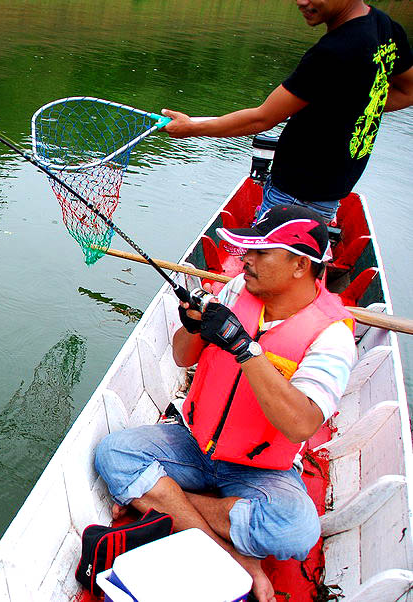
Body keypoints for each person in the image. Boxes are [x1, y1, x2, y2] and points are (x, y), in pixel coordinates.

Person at [94, 205, 357, 602]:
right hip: (194, 444)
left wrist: (244, 349)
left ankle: (169, 505)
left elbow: (302, 425)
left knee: (295, 530)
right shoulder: (237, 290)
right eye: (246, 250)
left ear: (300, 265)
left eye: (261, 252)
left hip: (260, 469)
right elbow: (184, 357)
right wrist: (193, 326)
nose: (244, 260)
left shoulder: (332, 337)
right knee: (114, 453)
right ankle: (230, 551)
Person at [162, 0, 413, 223]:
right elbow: (408, 91)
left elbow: (263, 118)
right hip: (332, 189)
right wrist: (350, 103)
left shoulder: (334, 51)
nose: (301, 2)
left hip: (296, 196)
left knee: (269, 271)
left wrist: (191, 129)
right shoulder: (385, 27)